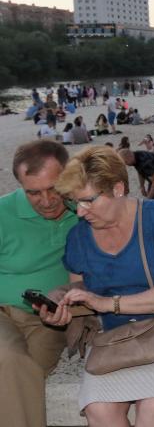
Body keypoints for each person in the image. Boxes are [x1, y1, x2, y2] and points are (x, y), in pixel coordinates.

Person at [40, 146, 154, 426]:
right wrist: (63, 302)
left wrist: (108, 304)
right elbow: (82, 291)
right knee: (98, 411)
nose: (80, 212)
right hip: (118, 332)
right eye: (74, 202)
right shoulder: (79, 237)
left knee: (152, 407)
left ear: (118, 189)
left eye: (88, 201)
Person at [1, 141, 78, 427]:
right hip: (2, 312)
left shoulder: (85, 209)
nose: (46, 200)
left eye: (54, 188)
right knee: (7, 359)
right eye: (33, 192)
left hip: (48, 319)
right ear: (21, 185)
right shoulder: (2, 213)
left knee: (25, 374)